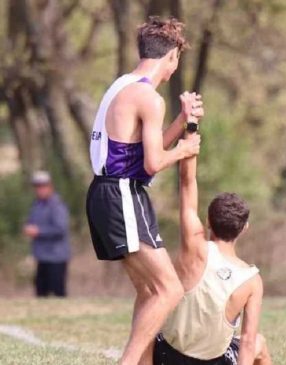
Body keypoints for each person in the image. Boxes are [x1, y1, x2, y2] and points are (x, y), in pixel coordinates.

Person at [85, 17, 203, 365]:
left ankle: (143, 361)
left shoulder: (124, 85)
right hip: (122, 194)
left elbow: (137, 156)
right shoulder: (149, 98)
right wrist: (185, 149)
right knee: (169, 289)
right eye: (176, 61)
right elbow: (153, 164)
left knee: (150, 290)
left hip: (109, 192)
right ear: (172, 58)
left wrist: (182, 123)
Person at [153, 131, 271, 365]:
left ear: (207, 221)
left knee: (147, 329)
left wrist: (191, 131)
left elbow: (187, 185)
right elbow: (247, 343)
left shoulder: (194, 249)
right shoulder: (251, 280)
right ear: (244, 228)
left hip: (167, 357)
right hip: (212, 362)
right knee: (259, 343)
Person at [23, 171, 71, 298]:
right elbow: (32, 223)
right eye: (37, 186)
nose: (40, 189)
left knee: (57, 294)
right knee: (40, 293)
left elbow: (60, 230)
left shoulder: (57, 205)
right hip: (41, 257)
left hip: (56, 257)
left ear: (50, 186)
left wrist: (39, 231)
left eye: (43, 186)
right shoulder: (36, 205)